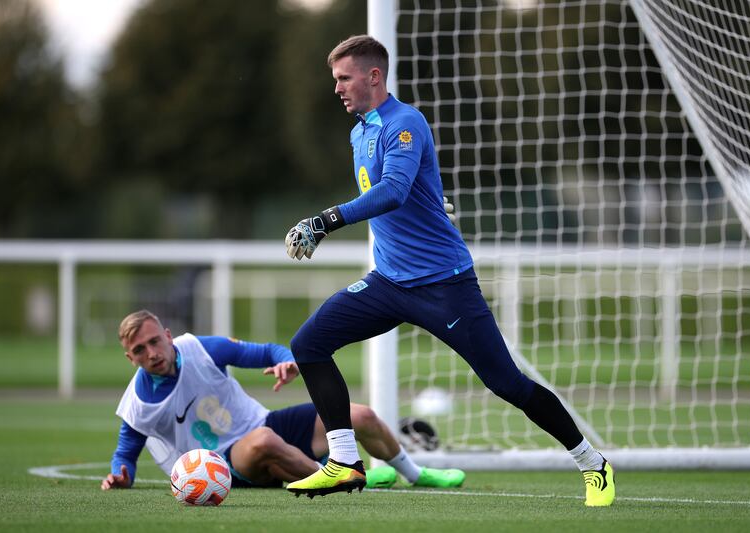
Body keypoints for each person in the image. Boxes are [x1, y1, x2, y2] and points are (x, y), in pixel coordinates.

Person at [283, 35, 615, 506]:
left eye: (343, 78)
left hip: (444, 286)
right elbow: (402, 193)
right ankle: (344, 463)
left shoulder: (405, 122)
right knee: (309, 344)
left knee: (506, 383)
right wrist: (431, 202)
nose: (336, 88)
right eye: (334, 79)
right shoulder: (360, 131)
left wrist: (325, 220)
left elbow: (393, 191)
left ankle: (592, 463)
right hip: (388, 282)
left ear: (373, 76)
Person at [100, 309, 465, 492]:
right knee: (263, 443)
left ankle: (416, 474)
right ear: (130, 358)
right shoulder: (138, 403)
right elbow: (124, 454)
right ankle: (352, 479)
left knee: (362, 415)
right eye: (139, 350)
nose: (151, 353)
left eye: (153, 342)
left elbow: (268, 351)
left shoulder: (200, 348)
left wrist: (284, 362)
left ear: (167, 336)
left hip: (264, 424)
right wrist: (121, 476)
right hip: (220, 464)